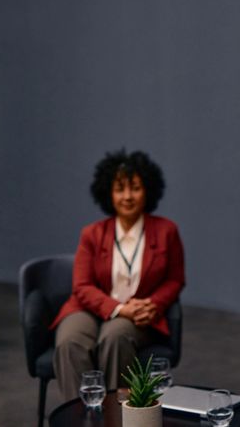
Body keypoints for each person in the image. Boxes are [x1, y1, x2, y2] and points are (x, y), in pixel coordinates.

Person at [50, 149, 185, 400]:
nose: (127, 196)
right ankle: (81, 417)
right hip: (88, 308)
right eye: (119, 188)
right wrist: (118, 308)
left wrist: (153, 304)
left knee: (116, 336)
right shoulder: (91, 233)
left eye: (135, 188)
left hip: (139, 315)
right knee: (69, 342)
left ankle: (118, 416)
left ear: (148, 191)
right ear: (108, 193)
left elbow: (175, 280)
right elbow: (82, 286)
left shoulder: (167, 231)